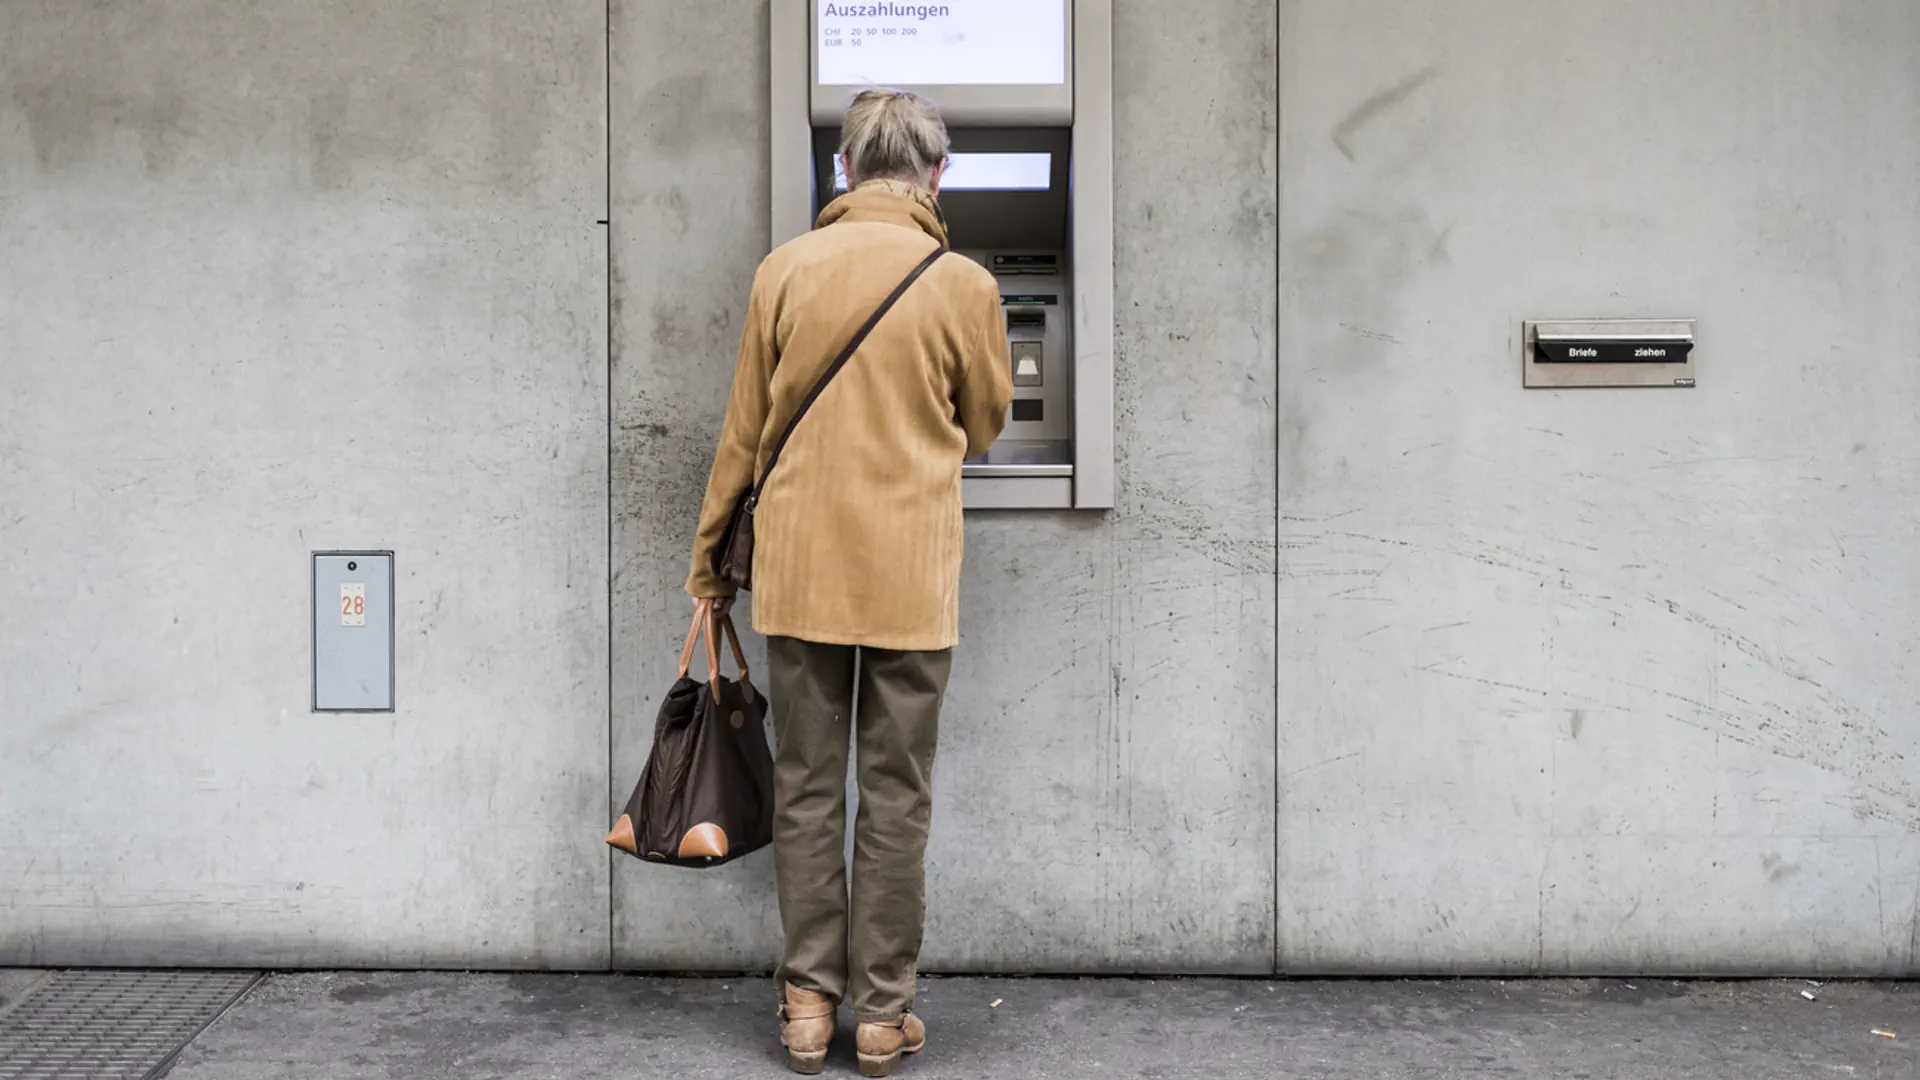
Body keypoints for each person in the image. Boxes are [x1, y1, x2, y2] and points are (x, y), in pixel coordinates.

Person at [686, 87, 1014, 1076]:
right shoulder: (966, 286)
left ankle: (804, 1008)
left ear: (843, 171)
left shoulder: (783, 273)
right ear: (937, 174)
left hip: (803, 573)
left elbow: (743, 436)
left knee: (808, 786)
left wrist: (710, 565)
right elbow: (989, 424)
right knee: (897, 788)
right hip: (911, 577)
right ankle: (881, 1014)